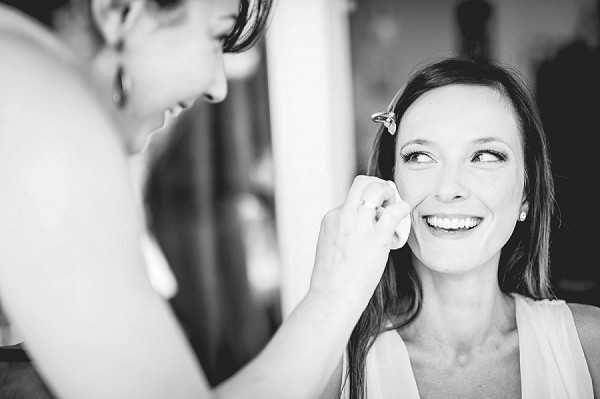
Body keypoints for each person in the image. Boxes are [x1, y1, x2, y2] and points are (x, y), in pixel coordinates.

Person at [0, 1, 411, 398]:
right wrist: (336, 291)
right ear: (117, 9)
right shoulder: (36, 100)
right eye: (216, 34)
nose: (217, 87)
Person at [319, 58, 600, 399]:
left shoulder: (590, 345)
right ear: (390, 183)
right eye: (420, 156)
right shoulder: (334, 367)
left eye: (484, 155)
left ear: (526, 193)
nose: (448, 188)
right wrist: (329, 296)